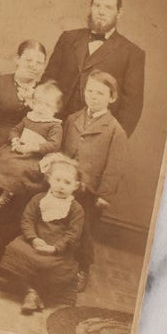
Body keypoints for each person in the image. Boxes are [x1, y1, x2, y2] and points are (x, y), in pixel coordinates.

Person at [42, 0, 146, 136]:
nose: (101, 12)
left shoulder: (132, 53)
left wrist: (110, 139)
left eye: (108, 7)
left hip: (94, 133)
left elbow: (132, 106)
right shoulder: (68, 38)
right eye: (97, 6)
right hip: (53, 124)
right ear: (90, 7)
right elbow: (48, 79)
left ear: (119, 13)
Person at [0, 152, 87, 313]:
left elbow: (73, 234)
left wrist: (55, 248)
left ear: (76, 186)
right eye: (57, 180)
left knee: (48, 264)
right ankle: (28, 291)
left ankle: (24, 290)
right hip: (35, 242)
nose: (61, 185)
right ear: (50, 179)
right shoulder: (39, 199)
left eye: (67, 182)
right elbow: (27, 220)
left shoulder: (76, 209)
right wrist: (33, 238)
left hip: (57, 249)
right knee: (14, 249)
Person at [62, 71, 128, 291]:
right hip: (64, 180)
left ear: (112, 97)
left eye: (100, 93)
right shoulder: (73, 119)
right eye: (89, 90)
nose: (93, 96)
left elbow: (114, 168)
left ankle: (83, 268)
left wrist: (104, 195)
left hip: (89, 190)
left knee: (84, 228)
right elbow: (62, 150)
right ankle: (55, 262)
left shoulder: (115, 131)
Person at [0, 80, 64, 211]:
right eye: (38, 103)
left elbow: (54, 144)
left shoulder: (54, 125)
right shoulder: (29, 118)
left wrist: (34, 147)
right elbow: (15, 130)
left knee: (20, 168)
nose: (41, 108)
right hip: (19, 148)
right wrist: (15, 140)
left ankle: (6, 194)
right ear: (33, 103)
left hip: (33, 155)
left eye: (47, 105)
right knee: (1, 156)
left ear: (56, 109)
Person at [0, 40, 49, 170]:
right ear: (17, 59)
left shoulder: (44, 91)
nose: (33, 66)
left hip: (25, 150)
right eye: (28, 60)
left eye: (39, 63)